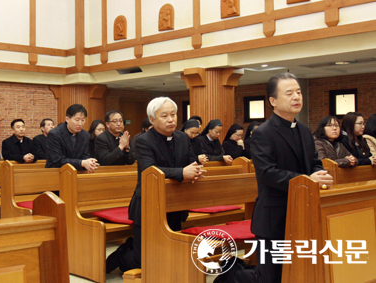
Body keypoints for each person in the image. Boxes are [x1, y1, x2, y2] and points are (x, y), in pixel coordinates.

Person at [222, 73, 333, 283]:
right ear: (273, 101)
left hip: (302, 213)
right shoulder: (263, 133)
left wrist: (321, 174)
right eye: (289, 93)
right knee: (269, 278)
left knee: (294, 273)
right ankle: (231, 276)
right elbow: (267, 173)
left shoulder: (304, 131)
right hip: (274, 216)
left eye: (298, 92)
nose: (296, 97)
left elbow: (314, 162)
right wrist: (307, 180)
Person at [106, 97, 205, 273]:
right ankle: (122, 255)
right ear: (152, 119)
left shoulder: (182, 137)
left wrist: (196, 171)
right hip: (148, 204)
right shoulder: (144, 140)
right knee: (143, 259)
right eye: (164, 115)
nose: (171, 119)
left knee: (171, 249)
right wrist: (182, 173)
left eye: (173, 115)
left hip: (174, 203)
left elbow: (191, 161)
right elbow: (150, 170)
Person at [46, 104, 99, 173]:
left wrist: (90, 163)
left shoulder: (85, 135)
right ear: (67, 119)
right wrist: (81, 163)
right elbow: (58, 160)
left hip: (77, 172)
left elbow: (85, 156)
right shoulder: (54, 134)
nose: (80, 123)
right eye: (77, 120)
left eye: (83, 120)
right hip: (55, 172)